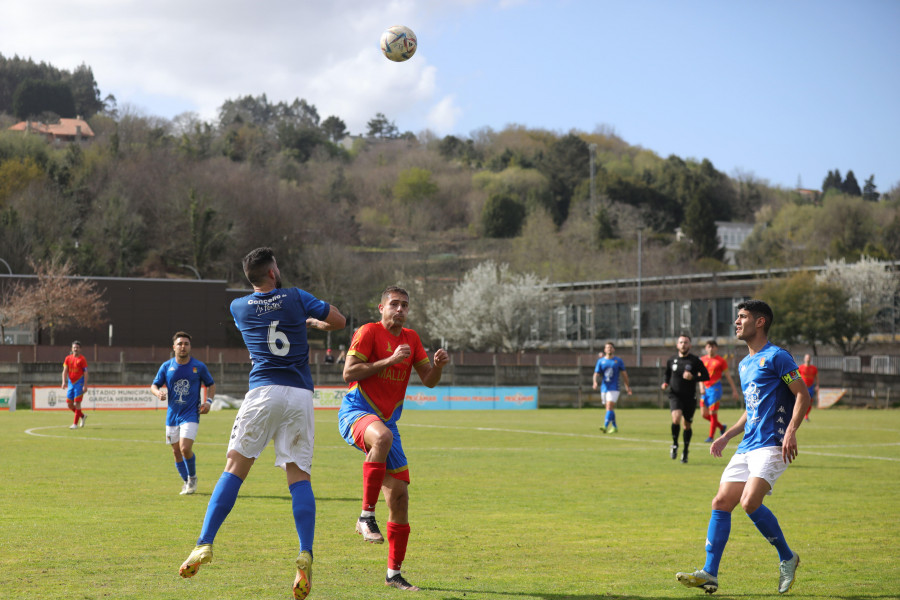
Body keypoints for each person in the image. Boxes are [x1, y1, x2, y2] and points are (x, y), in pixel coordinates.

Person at [179, 247, 345, 600]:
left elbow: (267, 321)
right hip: (299, 394)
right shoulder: (297, 297)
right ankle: (305, 551)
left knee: (234, 469)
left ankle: (204, 544)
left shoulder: (238, 307)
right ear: (273, 272)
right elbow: (340, 321)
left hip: (263, 392)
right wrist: (313, 321)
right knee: (299, 475)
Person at [676, 300, 810, 595]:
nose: (736, 322)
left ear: (760, 322)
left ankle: (787, 557)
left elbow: (802, 395)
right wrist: (728, 435)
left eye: (742, 317)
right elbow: (751, 410)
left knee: (749, 502)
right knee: (721, 502)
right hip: (748, 445)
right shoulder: (744, 363)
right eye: (737, 317)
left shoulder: (778, 357)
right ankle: (709, 574)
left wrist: (791, 430)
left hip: (773, 444)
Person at [338, 286, 449, 591]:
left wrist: (438, 367)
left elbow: (429, 381)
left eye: (405, 305)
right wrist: (388, 361)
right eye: (394, 305)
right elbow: (349, 373)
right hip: (356, 411)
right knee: (382, 437)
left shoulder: (412, 339)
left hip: (387, 423)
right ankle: (365, 516)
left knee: (400, 499)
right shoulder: (368, 332)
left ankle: (393, 574)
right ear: (381, 307)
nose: (400, 310)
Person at [150, 331, 216, 495]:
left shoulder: (198, 367)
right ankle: (186, 481)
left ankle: (192, 478)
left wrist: (208, 402)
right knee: (175, 451)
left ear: (190, 347)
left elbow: (211, 384)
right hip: (172, 415)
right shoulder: (167, 366)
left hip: (191, 414)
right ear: (174, 347)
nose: (183, 347)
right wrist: (158, 393)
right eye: (180, 344)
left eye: (186, 344)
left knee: (185, 448)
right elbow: (154, 385)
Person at [661, 334, 710, 463]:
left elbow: (706, 376)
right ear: (677, 345)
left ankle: (685, 451)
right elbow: (667, 374)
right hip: (675, 395)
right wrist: (665, 382)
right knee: (676, 418)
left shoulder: (695, 361)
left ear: (690, 345)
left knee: (687, 425)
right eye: (681, 342)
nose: (683, 345)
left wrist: (693, 377)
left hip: (690, 397)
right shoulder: (671, 360)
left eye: (686, 342)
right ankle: (675, 444)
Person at [699, 340, 740, 443]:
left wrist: (734, 390)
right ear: (705, 348)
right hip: (705, 388)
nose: (711, 348)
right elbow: (699, 375)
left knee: (713, 413)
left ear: (716, 348)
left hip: (715, 388)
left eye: (713, 346)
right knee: (704, 414)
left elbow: (728, 376)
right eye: (709, 346)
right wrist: (701, 387)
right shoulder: (702, 360)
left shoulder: (721, 361)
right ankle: (721, 427)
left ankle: (711, 436)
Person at [592, 342, 632, 433]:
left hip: (615, 387)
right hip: (604, 387)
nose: (609, 349)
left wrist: (627, 386)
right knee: (608, 409)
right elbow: (596, 374)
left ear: (613, 349)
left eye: (611, 347)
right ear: (604, 350)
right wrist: (594, 382)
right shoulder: (601, 361)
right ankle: (614, 426)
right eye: (607, 347)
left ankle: (605, 426)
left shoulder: (618, 361)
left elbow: (624, 375)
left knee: (609, 407)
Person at [61, 341, 88, 429]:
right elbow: (65, 370)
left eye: (77, 347)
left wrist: (85, 385)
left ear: (80, 349)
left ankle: (75, 424)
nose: (75, 349)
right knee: (69, 404)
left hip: (79, 383)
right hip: (70, 383)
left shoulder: (82, 359)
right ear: (71, 349)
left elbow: (86, 372)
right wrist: (63, 382)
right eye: (74, 347)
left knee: (77, 403)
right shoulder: (67, 358)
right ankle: (82, 416)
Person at [797, 354, 818, 421]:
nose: (808, 359)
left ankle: (806, 415)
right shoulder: (800, 368)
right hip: (803, 387)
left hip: (811, 387)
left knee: (810, 402)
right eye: (807, 358)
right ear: (804, 359)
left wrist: (817, 385)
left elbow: (817, 377)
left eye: (809, 358)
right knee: (801, 401)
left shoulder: (814, 368)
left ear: (810, 359)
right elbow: (796, 377)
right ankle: (799, 415)